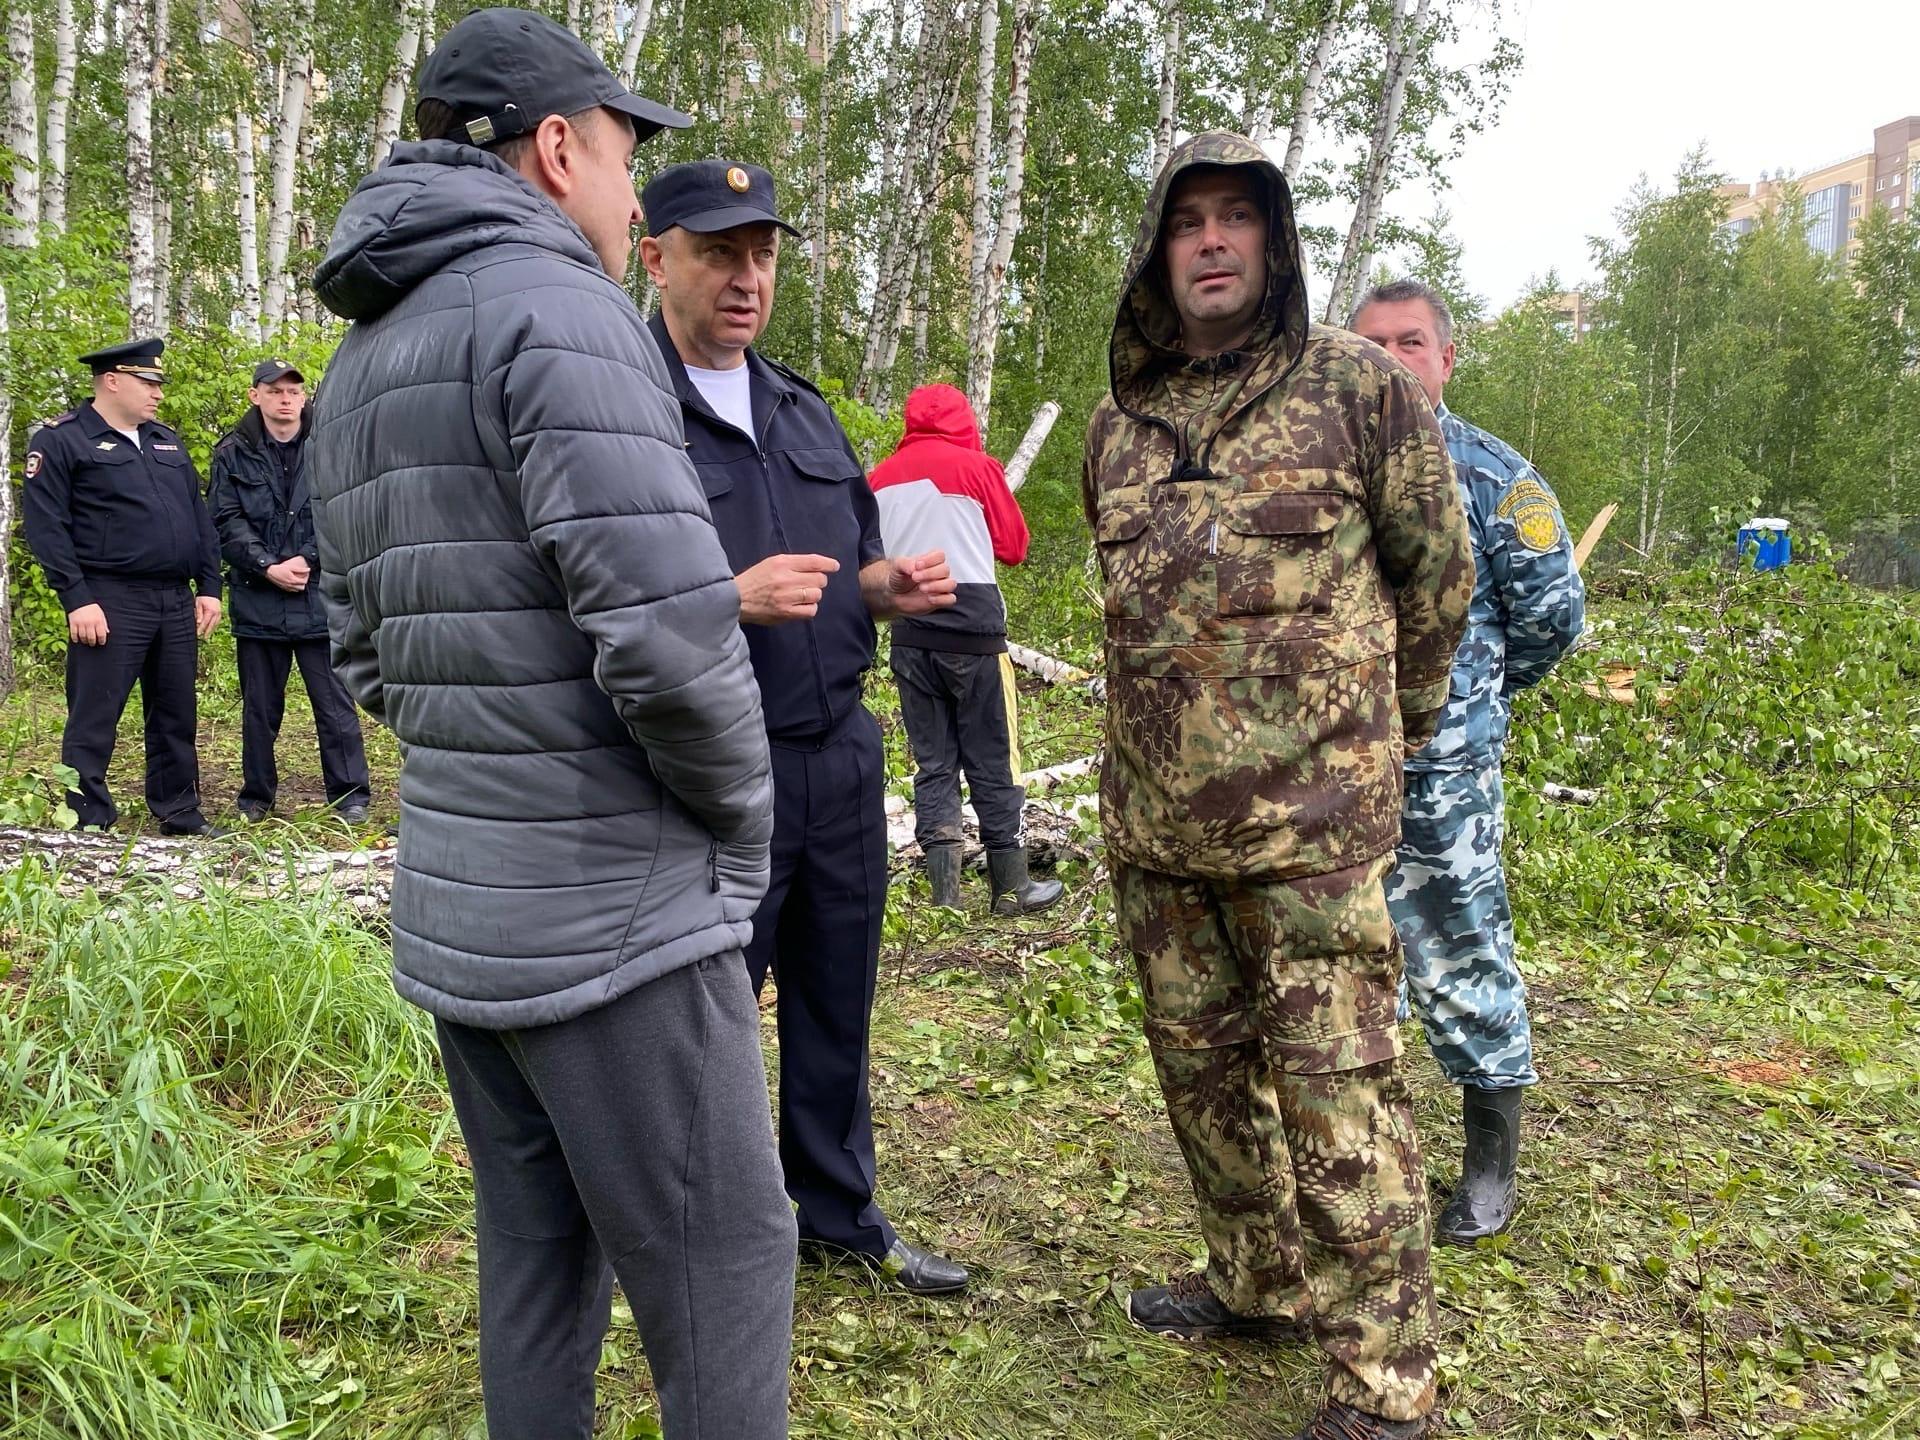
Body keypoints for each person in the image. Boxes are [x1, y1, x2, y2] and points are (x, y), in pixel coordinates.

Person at [306, 12, 793, 1438]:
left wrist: (492, 737)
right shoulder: (564, 313)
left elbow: (368, 659)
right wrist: (742, 826)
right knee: (726, 1262)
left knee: (537, 1258)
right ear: (558, 145)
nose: (636, 194)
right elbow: (667, 637)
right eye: (628, 152)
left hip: (465, 911)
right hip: (613, 916)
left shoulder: (359, 364)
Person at [1082, 133, 1474, 1440]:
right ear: (1159, 251)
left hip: (1312, 844)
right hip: (1159, 840)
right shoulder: (1118, 425)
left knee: (1342, 1108)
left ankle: (1387, 1391)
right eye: (1186, 220)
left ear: (1274, 242)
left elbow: (1439, 577)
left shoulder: (1359, 388)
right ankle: (1255, 1284)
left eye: (1234, 218)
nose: (1209, 241)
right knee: (1205, 1089)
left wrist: (1391, 736)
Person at [639, 159, 971, 1297]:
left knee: (838, 995)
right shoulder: (627, 414)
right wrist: (729, 596)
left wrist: (883, 589)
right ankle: (709, 1243)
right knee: (711, 1020)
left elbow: (843, 569)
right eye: (718, 252)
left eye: (763, 254)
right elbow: (586, 600)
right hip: (713, 767)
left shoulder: (802, 407)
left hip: (839, 750)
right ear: (657, 258)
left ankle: (836, 1215)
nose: (745, 278)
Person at [1350, 279, 1586, 1244]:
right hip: (1330, 768)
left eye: (1411, 343)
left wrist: (1471, 703)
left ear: (1446, 359)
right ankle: (1361, 1155)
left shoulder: (1493, 478)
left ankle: (1489, 1167)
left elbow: (1550, 620)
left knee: (1459, 947)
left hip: (1442, 779)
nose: (1393, 360)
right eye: (1371, 345)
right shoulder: (1324, 473)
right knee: (1346, 961)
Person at [868, 383, 1062, 915]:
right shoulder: (978, 470)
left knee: (934, 763)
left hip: (909, 636)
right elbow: (1014, 547)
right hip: (974, 637)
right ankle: (1011, 886)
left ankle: (945, 897)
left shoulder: (878, 478)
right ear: (963, 422)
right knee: (995, 759)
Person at [22, 337, 226, 837]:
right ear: (112, 380)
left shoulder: (166, 441)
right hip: (109, 598)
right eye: (147, 382)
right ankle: (88, 818)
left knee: (176, 712)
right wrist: (77, 598)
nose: (157, 392)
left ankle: (179, 812)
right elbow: (46, 527)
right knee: (95, 713)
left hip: (174, 598)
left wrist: (210, 586)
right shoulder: (62, 439)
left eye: (159, 383)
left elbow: (198, 520)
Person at [207, 359, 371, 826]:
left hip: (320, 594)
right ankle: (256, 798)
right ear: (254, 395)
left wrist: (306, 559)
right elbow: (224, 520)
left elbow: (342, 508)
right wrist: (266, 565)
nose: (285, 399)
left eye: (294, 391)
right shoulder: (232, 453)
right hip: (259, 597)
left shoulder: (329, 446)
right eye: (275, 390)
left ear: (305, 397)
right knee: (260, 709)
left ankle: (351, 796)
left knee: (335, 705)